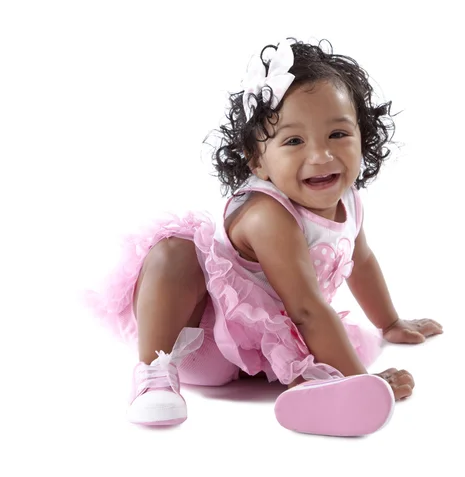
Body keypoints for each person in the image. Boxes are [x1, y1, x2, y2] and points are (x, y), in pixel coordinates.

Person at [84, 37, 443, 437]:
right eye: (293, 141)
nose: (321, 156)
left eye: (339, 134)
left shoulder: (350, 200)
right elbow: (306, 309)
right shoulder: (268, 214)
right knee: (175, 252)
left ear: (363, 135)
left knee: (316, 341)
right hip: (204, 345)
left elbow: (361, 260)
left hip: (269, 348)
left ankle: (310, 387)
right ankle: (154, 374)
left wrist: (389, 322)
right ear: (258, 161)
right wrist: (359, 380)